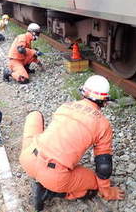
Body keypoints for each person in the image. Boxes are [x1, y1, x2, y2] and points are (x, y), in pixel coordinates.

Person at [19, 75, 125, 211]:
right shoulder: (103, 124)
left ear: (83, 93)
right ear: (104, 102)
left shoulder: (65, 106)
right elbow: (104, 166)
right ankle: (48, 192)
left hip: (29, 158)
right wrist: (106, 191)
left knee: (35, 116)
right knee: (93, 186)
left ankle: (41, 176)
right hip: (54, 176)